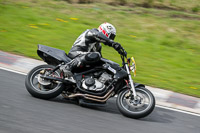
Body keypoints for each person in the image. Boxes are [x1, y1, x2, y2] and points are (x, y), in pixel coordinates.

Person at [61, 22, 126, 77]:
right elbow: (98, 35)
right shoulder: (91, 32)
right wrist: (112, 43)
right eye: (111, 36)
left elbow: (101, 60)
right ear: (105, 31)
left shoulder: (98, 45)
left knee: (100, 62)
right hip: (76, 53)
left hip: (83, 58)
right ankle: (67, 67)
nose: (111, 38)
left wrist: (116, 67)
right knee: (96, 55)